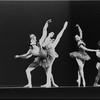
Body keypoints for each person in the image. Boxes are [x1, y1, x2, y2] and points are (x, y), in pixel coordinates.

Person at [14, 19, 51, 88]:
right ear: (31, 42)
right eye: (31, 38)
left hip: (43, 57)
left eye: (34, 37)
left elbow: (44, 31)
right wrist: (19, 56)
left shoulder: (39, 43)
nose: (33, 38)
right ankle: (29, 84)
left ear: (35, 38)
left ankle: (48, 83)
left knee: (48, 70)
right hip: (37, 60)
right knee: (27, 71)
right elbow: (26, 55)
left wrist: (46, 23)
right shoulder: (30, 50)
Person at [40, 21, 68, 88]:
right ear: (49, 33)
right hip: (45, 55)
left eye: (53, 33)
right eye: (51, 32)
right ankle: (53, 83)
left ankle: (48, 83)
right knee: (47, 69)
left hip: (51, 54)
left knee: (49, 69)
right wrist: (46, 23)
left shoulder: (53, 42)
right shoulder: (45, 39)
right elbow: (44, 30)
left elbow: (59, 36)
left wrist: (64, 27)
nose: (52, 33)